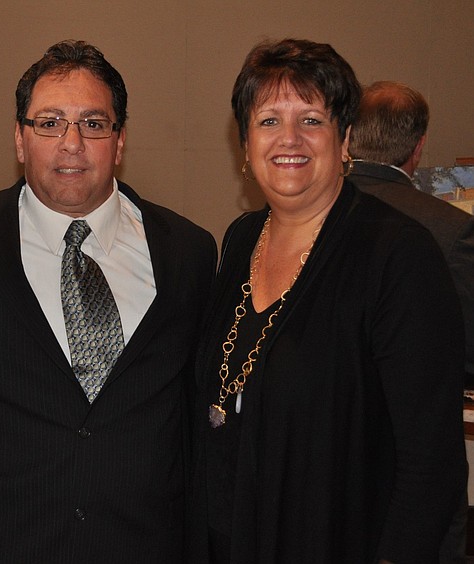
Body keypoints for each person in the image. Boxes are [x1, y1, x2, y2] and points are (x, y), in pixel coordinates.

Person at [0, 40, 216, 563]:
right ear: (19, 138)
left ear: (119, 141)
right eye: (50, 122)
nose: (72, 143)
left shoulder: (189, 252)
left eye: (94, 124)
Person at [191, 39, 467, 563]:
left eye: (311, 120)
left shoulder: (397, 255)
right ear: (245, 144)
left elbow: (431, 460)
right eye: (268, 120)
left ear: (344, 140)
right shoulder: (241, 238)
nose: (288, 138)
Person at [350, 80, 474, 384]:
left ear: (347, 135)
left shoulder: (308, 213)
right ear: (419, 146)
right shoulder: (453, 229)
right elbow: (467, 350)